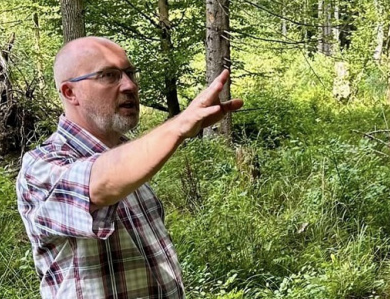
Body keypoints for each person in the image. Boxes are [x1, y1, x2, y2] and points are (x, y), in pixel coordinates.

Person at [16, 37, 243, 298]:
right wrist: (179, 126)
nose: (130, 85)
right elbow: (99, 184)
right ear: (70, 92)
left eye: (130, 73)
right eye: (109, 76)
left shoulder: (128, 154)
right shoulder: (42, 165)